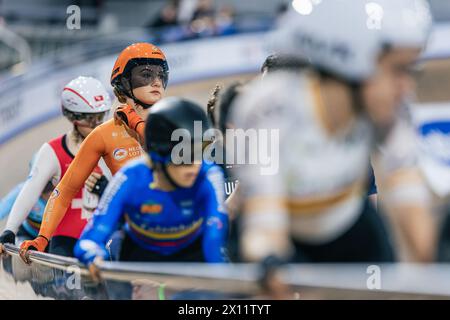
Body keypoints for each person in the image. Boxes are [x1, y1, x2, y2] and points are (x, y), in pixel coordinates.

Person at [233, 0, 435, 264]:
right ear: (352, 61)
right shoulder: (269, 107)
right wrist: (271, 266)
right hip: (284, 232)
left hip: (349, 226)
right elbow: (265, 227)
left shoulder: (394, 108)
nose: (406, 88)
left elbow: (412, 207)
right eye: (398, 70)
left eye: (411, 71)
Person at [18, 43, 169, 260]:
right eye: (146, 74)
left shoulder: (175, 119)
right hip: (133, 230)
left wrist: (136, 123)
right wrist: (43, 238)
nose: (156, 81)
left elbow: (166, 154)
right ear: (125, 82)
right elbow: (64, 191)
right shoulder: (104, 134)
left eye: (160, 75)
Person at [74, 97, 229, 265]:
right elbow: (91, 238)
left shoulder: (210, 174)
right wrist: (95, 257)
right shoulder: (130, 177)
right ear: (157, 156)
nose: (194, 166)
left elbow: (214, 236)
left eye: (199, 154)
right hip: (142, 254)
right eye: (182, 159)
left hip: (192, 251)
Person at [0, 76, 111, 257]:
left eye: (102, 116)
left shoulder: (114, 144)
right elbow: (29, 190)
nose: (98, 124)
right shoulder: (51, 151)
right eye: (92, 119)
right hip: (67, 242)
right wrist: (9, 231)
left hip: (100, 236)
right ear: (75, 118)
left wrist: (106, 190)